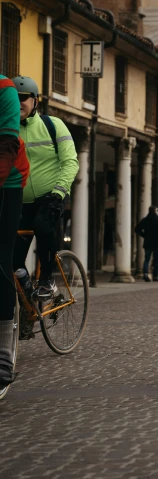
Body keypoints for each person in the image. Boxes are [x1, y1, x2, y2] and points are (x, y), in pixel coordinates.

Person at [12, 76, 78, 301]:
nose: (18, 102)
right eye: (13, 98)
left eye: (23, 98)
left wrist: (58, 192)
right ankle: (27, 295)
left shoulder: (53, 125)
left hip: (50, 196)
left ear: (35, 101)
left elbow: (71, 162)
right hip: (19, 200)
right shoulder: (8, 130)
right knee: (11, 258)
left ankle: (48, 280)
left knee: (42, 224)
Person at [0, 75, 30, 389]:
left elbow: (6, 146)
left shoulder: (5, 90)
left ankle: (3, 354)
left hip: (7, 183)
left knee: (2, 259)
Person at [135, 206, 158, 281]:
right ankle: (155, 275)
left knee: (147, 259)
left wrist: (144, 235)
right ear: (155, 211)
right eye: (157, 210)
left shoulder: (145, 220)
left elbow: (137, 229)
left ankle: (145, 273)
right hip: (157, 242)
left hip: (148, 242)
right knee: (156, 259)